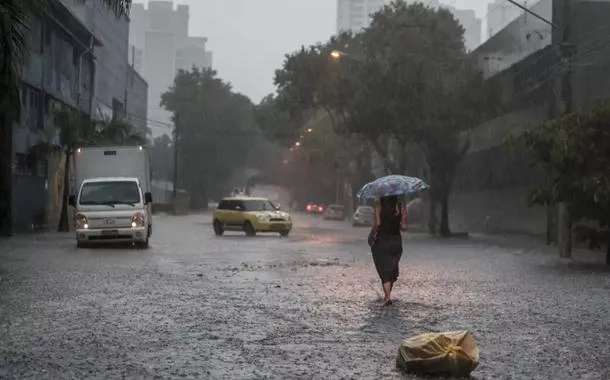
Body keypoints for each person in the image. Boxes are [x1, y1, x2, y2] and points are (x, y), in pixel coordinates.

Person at [368, 195, 408, 306]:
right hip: (396, 243)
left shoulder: (379, 206)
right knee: (392, 269)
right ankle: (387, 294)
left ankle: (387, 297)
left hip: (382, 242)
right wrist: (400, 219)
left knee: (384, 270)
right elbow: (404, 227)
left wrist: (371, 236)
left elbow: (378, 224)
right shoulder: (400, 206)